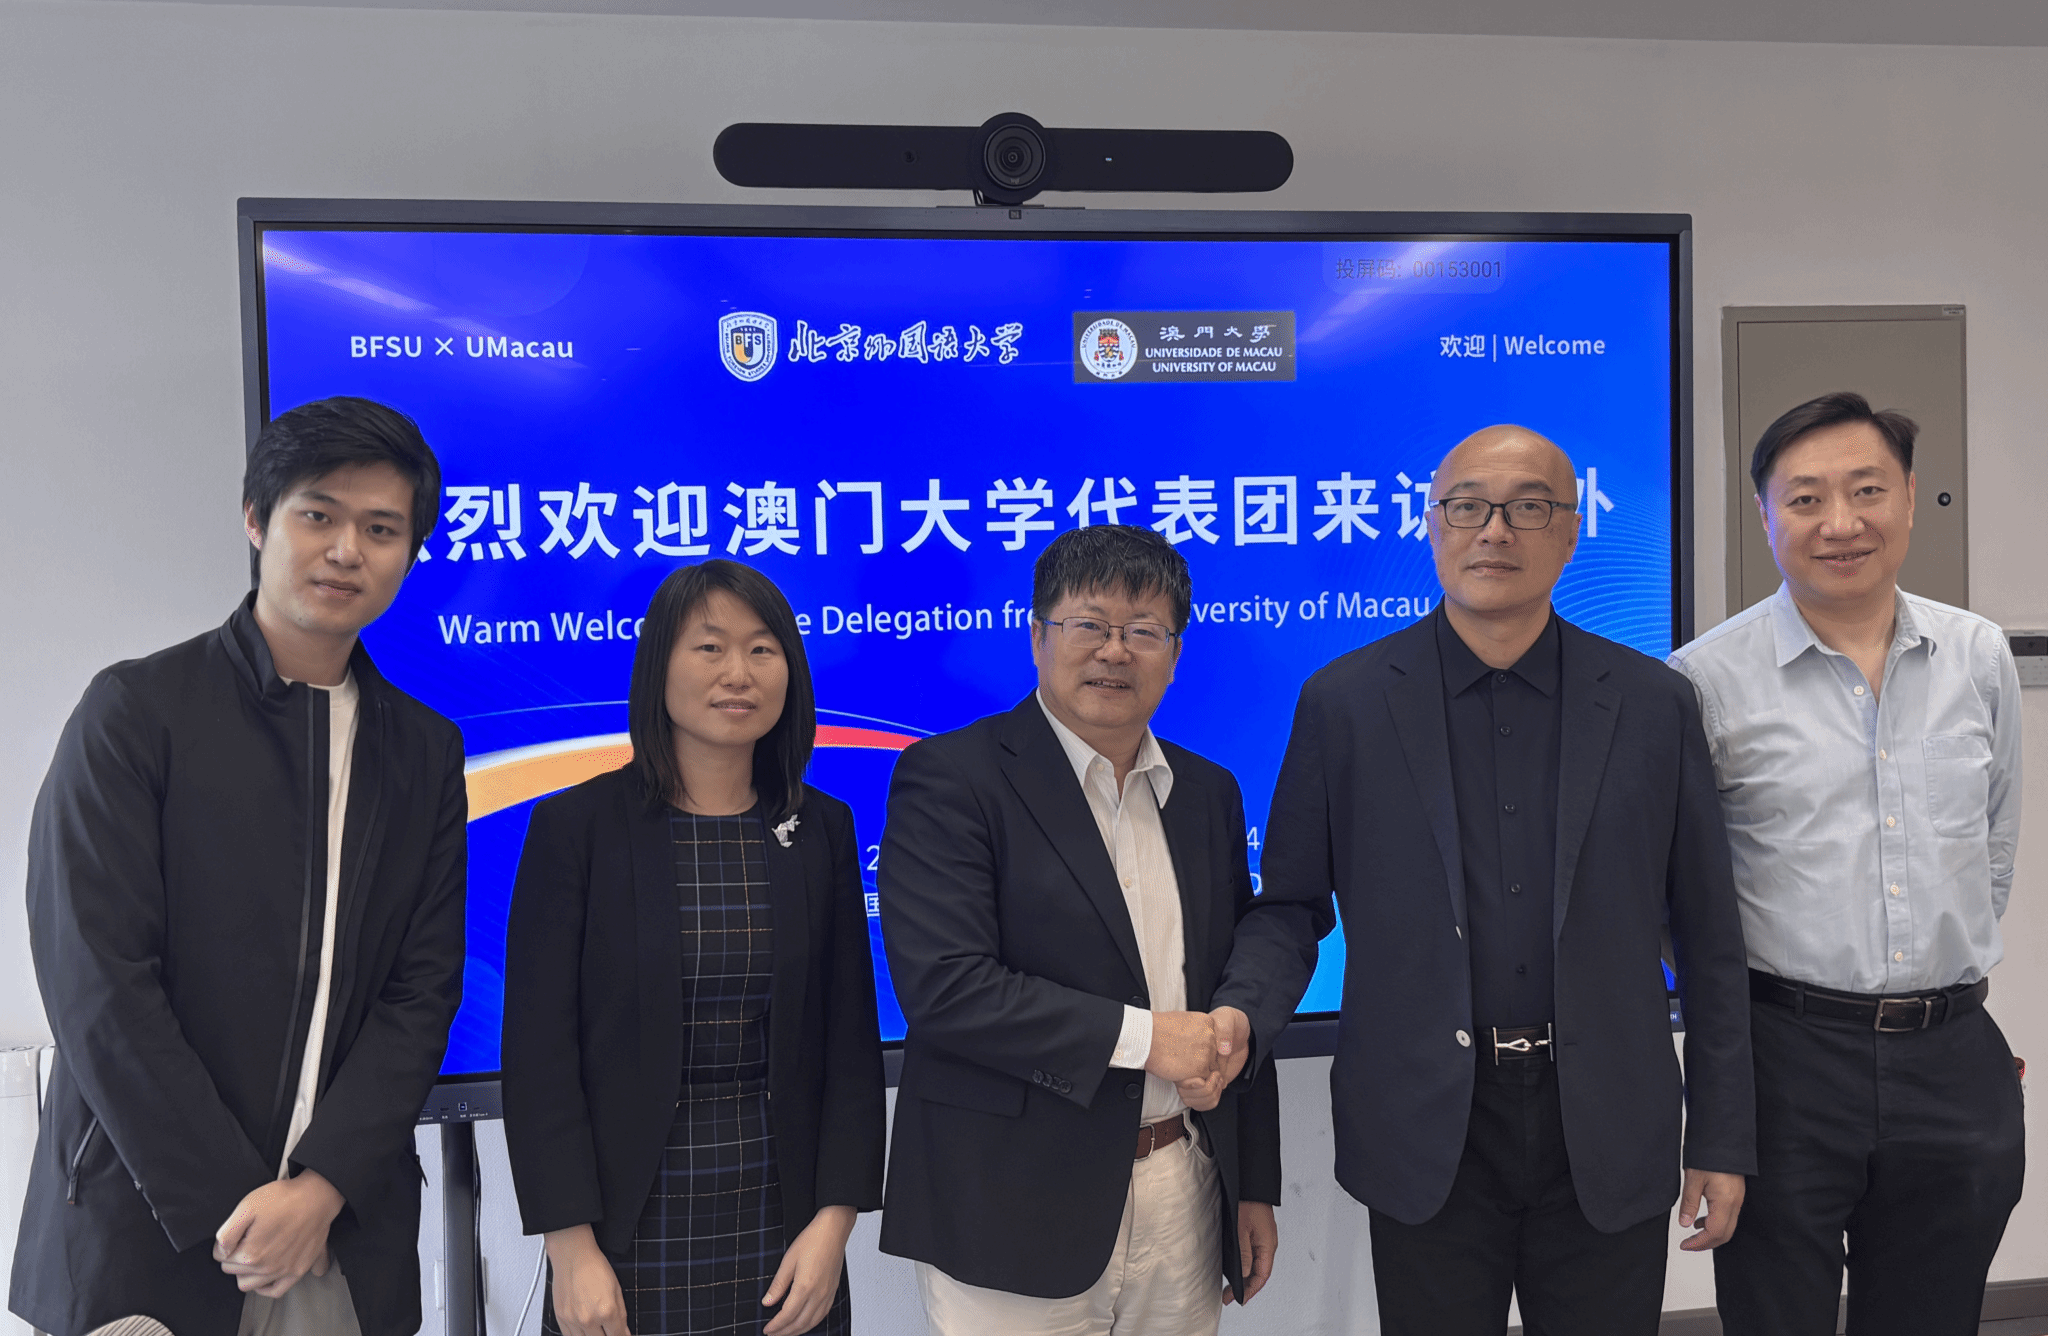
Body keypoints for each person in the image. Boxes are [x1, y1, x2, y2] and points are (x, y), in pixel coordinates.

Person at [1212, 425, 1756, 1335]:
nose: (1494, 530)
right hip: (1426, 1128)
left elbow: (1709, 934)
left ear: (1572, 531)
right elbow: (1292, 907)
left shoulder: (1652, 703)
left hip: (1607, 1123)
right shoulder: (1345, 702)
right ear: (1433, 526)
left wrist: (1722, 1135)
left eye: (1527, 507)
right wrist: (1241, 1012)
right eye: (1467, 506)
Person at [10, 397, 467, 1336]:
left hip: (342, 1235)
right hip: (155, 1229)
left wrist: (321, 1188)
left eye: (382, 529)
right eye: (318, 514)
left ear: (410, 553)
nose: (347, 550)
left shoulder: (424, 752)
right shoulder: (136, 712)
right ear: (257, 520)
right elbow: (99, 983)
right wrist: (240, 1203)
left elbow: (421, 995)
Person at [1668, 392, 2025, 1336]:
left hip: (1952, 1058)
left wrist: (1935, 986)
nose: (1841, 523)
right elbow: (1680, 902)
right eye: (1806, 499)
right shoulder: (1703, 681)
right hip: (1784, 1060)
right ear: (1765, 516)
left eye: (1867, 490)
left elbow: (1993, 848)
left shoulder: (1977, 654)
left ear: (1909, 497)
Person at [877, 524, 1281, 1336]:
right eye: (1089, 624)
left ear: (1175, 653)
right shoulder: (951, 777)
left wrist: (1253, 1186)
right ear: (1038, 636)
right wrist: (1150, 1040)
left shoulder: (1208, 792)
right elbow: (947, 989)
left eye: (1144, 631)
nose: (1115, 651)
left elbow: (1228, 986)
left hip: (1184, 1188)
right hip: (1010, 1203)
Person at [502, 559, 885, 1336]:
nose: (738, 673)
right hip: (624, 1232)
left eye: (762, 649)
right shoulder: (576, 829)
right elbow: (539, 1059)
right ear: (659, 667)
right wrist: (571, 1250)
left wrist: (834, 1225)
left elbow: (849, 1044)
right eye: (709, 647)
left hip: (786, 1229)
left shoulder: (822, 828)